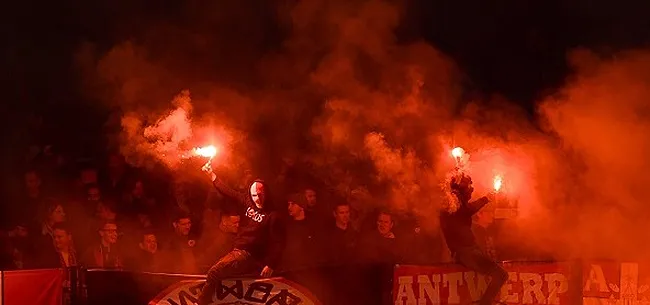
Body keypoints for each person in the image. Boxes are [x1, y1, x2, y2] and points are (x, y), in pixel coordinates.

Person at [196, 161, 284, 305]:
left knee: (214, 272)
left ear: (266, 193)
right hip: (238, 251)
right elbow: (227, 191)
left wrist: (271, 264)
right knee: (217, 273)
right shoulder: (247, 201)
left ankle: (200, 303)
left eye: (260, 195)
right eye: (254, 195)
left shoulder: (273, 215)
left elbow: (279, 242)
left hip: (249, 255)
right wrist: (211, 174)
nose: (257, 199)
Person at [439, 174, 508, 305]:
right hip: (466, 253)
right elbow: (467, 209)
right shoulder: (452, 206)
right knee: (501, 275)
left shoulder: (455, 206)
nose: (471, 189)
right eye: (468, 186)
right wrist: (486, 198)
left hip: (469, 251)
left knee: (499, 275)